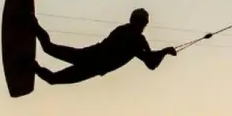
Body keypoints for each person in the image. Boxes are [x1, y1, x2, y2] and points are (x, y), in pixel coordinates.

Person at [32, 8, 177, 85]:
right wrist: (164, 51)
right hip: (93, 62)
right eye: (142, 22)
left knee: (50, 57)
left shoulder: (128, 33)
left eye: (143, 23)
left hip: (90, 59)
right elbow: (150, 62)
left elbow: (149, 60)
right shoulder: (134, 38)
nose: (142, 25)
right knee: (52, 70)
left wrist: (164, 52)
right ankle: (32, 62)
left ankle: (33, 30)